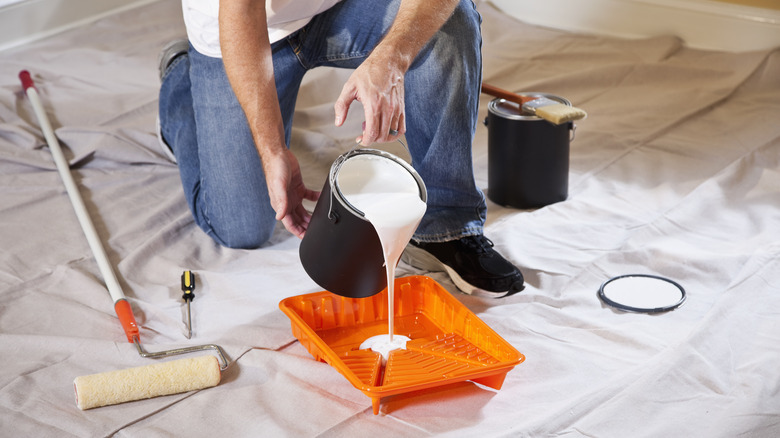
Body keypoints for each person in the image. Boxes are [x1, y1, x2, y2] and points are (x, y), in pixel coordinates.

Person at [157, 0, 525, 298]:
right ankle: (179, 78)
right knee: (242, 229)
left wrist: (392, 58)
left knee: (450, 23)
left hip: (339, 7)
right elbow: (241, 9)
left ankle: (447, 225)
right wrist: (272, 152)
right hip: (245, 29)